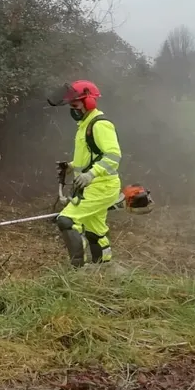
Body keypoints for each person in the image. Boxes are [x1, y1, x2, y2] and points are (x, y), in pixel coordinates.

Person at [47, 80, 122, 267]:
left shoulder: (100, 124)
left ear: (89, 102)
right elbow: (90, 157)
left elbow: (113, 156)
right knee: (94, 229)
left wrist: (91, 174)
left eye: (75, 105)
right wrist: (71, 166)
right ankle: (103, 266)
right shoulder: (85, 125)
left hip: (102, 186)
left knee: (66, 220)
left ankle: (78, 270)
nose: (73, 110)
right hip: (92, 185)